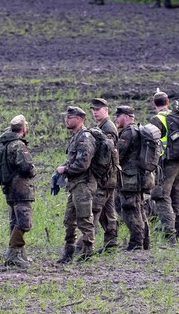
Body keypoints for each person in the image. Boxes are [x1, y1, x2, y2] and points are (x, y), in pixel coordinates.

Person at [55, 106, 97, 263]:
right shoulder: (75, 137)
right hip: (75, 185)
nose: (67, 120)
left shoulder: (84, 138)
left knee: (85, 220)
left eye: (70, 117)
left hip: (83, 184)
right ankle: (68, 252)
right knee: (69, 220)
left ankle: (87, 252)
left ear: (79, 119)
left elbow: (82, 164)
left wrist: (65, 169)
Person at [149, 91, 179, 240]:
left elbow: (152, 144)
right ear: (167, 101)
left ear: (154, 104)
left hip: (166, 164)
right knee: (177, 197)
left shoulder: (157, 119)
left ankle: (169, 233)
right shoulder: (178, 116)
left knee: (161, 196)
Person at [0, 115, 36, 268]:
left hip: (10, 189)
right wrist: (34, 170)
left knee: (15, 221)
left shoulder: (5, 143)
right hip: (21, 189)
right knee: (24, 222)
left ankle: (20, 254)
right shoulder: (18, 145)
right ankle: (13, 255)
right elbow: (27, 168)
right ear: (23, 128)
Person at [114, 106, 150, 250]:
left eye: (118, 116)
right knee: (139, 210)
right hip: (139, 177)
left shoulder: (128, 133)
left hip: (130, 179)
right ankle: (145, 242)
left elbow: (118, 155)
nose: (115, 119)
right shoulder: (138, 130)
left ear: (126, 117)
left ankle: (136, 244)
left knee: (130, 210)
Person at [89, 98, 119, 253]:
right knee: (107, 212)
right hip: (108, 178)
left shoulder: (108, 128)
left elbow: (106, 155)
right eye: (93, 110)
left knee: (94, 210)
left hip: (104, 178)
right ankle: (111, 243)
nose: (95, 112)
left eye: (98, 109)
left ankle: (88, 245)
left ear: (106, 110)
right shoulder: (102, 126)